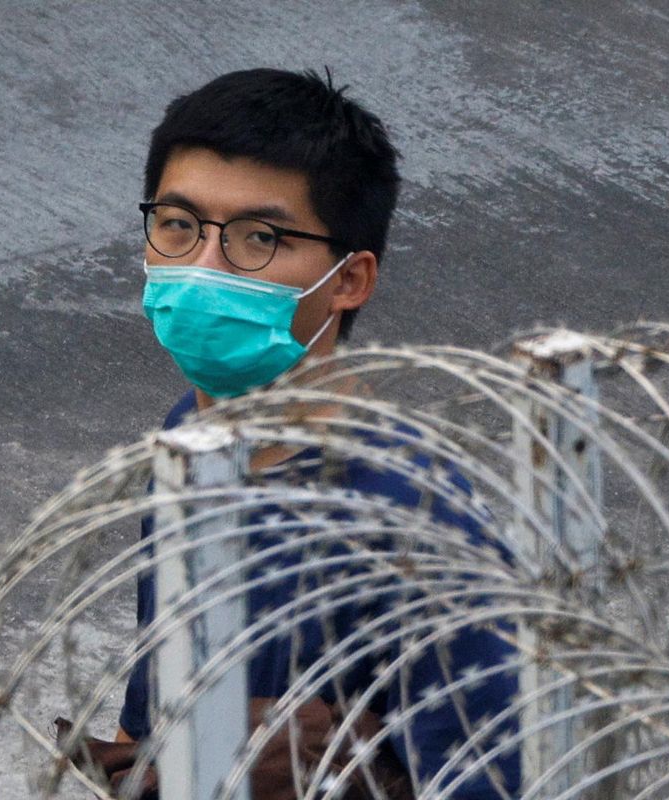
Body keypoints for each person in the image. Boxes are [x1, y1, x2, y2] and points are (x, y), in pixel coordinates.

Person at [109, 68, 519, 798]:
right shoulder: (189, 439)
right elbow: (149, 722)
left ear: (349, 280)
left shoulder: (412, 522)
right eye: (178, 225)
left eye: (258, 237)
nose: (203, 267)